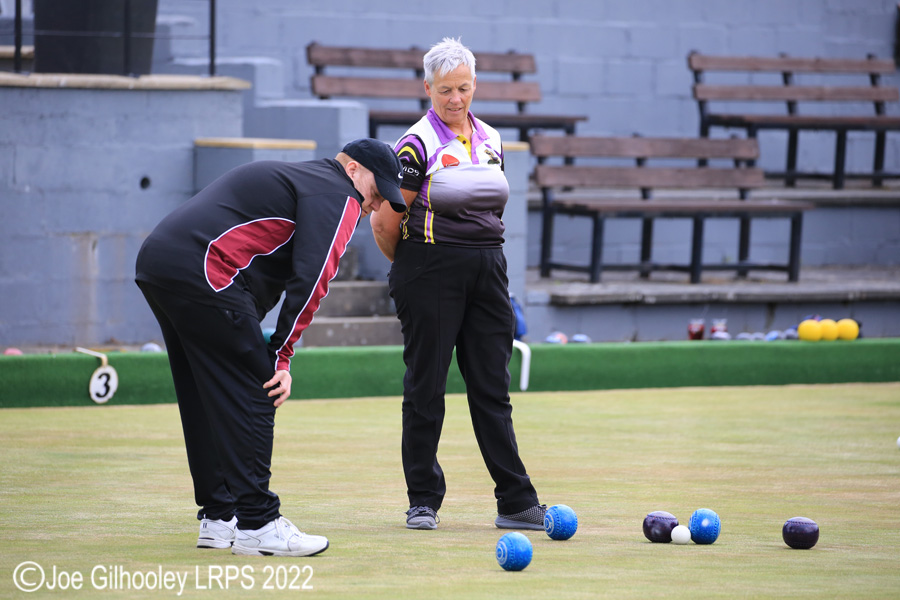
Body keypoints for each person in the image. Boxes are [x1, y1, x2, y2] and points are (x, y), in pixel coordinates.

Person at [135, 138, 406, 556]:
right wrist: (280, 355)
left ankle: (218, 516)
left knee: (204, 392)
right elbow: (315, 278)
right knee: (260, 389)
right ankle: (259, 524)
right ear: (353, 169)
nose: (374, 204)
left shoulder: (304, 179)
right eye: (376, 191)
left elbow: (260, 268)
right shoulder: (338, 193)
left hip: (160, 263)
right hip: (204, 269)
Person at [370, 38, 545, 531]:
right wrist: (416, 268)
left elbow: (490, 212)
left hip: (489, 270)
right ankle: (423, 499)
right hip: (429, 271)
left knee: (493, 386)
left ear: (474, 86)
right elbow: (385, 222)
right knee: (426, 386)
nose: (455, 99)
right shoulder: (414, 144)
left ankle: (516, 502)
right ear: (428, 88)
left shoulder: (491, 139)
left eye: (463, 88)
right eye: (445, 89)